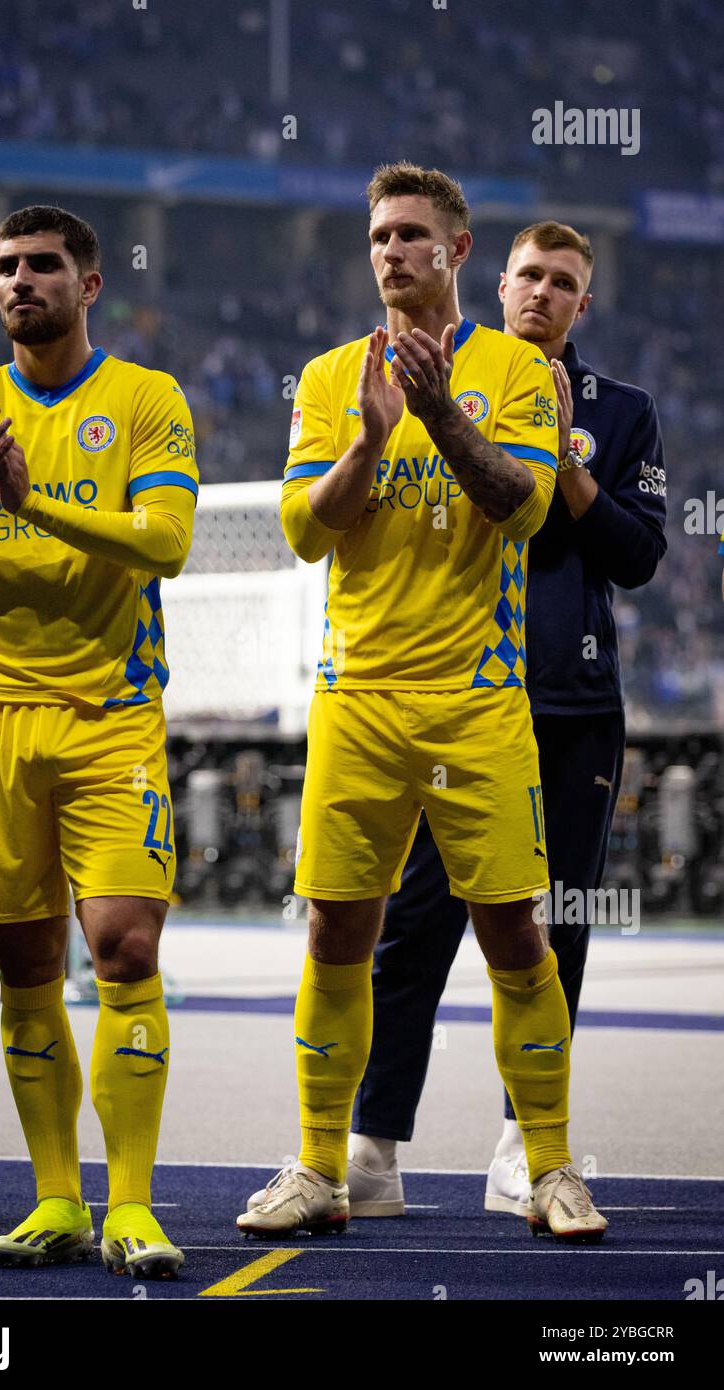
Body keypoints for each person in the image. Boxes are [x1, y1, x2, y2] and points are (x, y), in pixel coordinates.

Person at [239, 164, 608, 1244]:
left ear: (454, 250)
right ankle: (319, 1166)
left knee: (513, 937)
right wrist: (365, 436)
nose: (390, 253)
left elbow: (523, 509)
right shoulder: (323, 376)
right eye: (378, 238)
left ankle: (546, 1167)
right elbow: (307, 532)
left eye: (410, 236)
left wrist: (439, 412)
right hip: (356, 695)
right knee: (336, 937)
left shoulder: (518, 370)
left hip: (476, 699)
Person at [344, 221, 667, 1220]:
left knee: (549, 929)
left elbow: (637, 555)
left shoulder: (621, 413)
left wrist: (568, 465)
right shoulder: (434, 379)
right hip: (452, 696)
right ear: (495, 281)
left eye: (561, 282)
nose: (539, 293)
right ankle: (371, 1147)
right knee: (414, 924)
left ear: (581, 303)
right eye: (527, 274)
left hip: (570, 705)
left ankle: (525, 1145)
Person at [0, 205, 198, 1278]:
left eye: (42, 266)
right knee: (22, 964)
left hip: (110, 718)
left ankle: (132, 1204)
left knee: (123, 946)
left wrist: (37, 500)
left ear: (90, 283)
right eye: (4, 268)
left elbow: (162, 544)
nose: (19, 282)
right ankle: (55, 1201)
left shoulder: (143, 399)